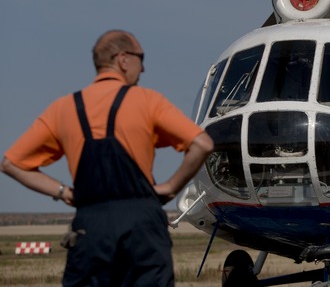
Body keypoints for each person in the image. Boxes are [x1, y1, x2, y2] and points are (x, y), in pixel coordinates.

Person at [1, 29, 215, 286]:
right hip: (142, 224)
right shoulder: (147, 101)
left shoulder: (64, 108)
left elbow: (10, 164)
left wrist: (63, 192)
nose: (143, 69)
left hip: (91, 225)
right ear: (123, 59)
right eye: (141, 58)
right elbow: (202, 144)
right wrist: (170, 188)